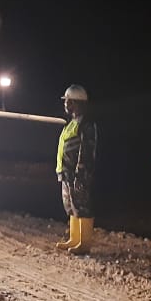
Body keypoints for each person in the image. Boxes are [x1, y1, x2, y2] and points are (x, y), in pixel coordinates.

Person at [55, 84, 97, 254]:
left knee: (83, 207)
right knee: (72, 206)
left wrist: (81, 173)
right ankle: (74, 239)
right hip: (67, 173)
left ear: (77, 103)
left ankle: (84, 245)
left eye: (69, 101)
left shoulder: (86, 125)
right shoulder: (71, 123)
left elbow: (86, 151)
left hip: (78, 174)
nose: (66, 104)